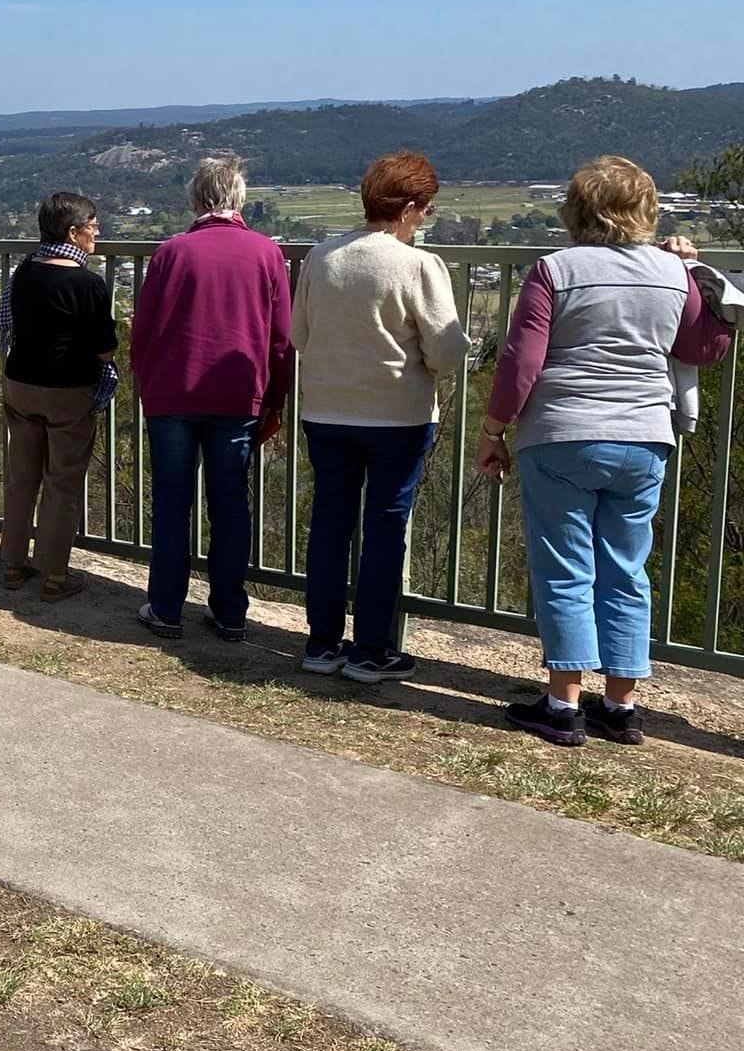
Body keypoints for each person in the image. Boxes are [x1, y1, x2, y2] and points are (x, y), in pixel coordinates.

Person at [479, 156, 731, 746]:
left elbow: (521, 363)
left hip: (562, 436)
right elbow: (703, 347)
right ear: (644, 211)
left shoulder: (554, 270)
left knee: (565, 569)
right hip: (645, 437)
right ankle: (620, 705)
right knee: (625, 569)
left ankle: (562, 704)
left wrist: (493, 430)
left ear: (577, 209)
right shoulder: (673, 272)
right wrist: (696, 274)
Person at [290, 153, 472, 683]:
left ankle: (322, 644)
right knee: (385, 527)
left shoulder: (321, 258)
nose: (426, 219)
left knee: (328, 524)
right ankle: (372, 650)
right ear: (411, 209)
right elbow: (445, 352)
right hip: (397, 416)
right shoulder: (419, 265)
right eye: (427, 210)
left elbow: (299, 336)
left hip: (325, 410)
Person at [129, 156, 291, 642]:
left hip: (172, 393)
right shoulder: (266, 254)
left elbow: (142, 332)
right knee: (230, 504)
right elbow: (280, 340)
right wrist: (275, 399)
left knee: (173, 501)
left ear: (196, 200)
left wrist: (147, 383)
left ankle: (165, 606)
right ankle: (229, 610)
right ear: (239, 200)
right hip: (238, 395)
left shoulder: (171, 252)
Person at [0, 192, 118, 601]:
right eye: (93, 224)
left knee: (21, 476)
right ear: (73, 232)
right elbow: (105, 350)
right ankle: (54, 574)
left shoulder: (25, 271)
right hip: (67, 391)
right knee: (62, 482)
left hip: (20, 384)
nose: (97, 231)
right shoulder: (87, 283)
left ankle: (13, 563)